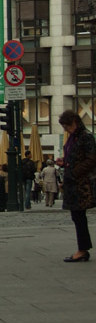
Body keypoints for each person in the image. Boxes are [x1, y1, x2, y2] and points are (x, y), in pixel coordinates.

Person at [58, 109, 96, 262]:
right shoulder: (74, 138)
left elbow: (91, 159)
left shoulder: (85, 137)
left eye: (67, 126)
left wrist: (74, 171)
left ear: (74, 123)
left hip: (82, 184)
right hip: (74, 182)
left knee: (79, 216)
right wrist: (65, 162)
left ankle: (82, 249)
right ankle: (83, 248)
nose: (66, 130)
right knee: (77, 216)